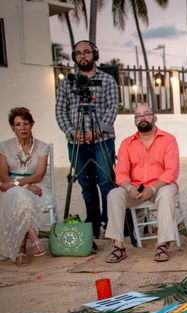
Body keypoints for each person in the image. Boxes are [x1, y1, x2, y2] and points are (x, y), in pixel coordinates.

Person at [55, 40, 118, 239]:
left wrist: (97, 132)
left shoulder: (107, 80)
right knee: (86, 185)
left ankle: (111, 225)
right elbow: (60, 111)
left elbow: (112, 108)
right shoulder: (67, 83)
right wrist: (72, 131)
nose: (83, 56)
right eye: (78, 53)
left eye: (87, 52)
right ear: (75, 57)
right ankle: (92, 225)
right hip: (76, 143)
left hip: (102, 141)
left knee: (106, 183)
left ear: (95, 54)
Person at [104, 104, 180, 263]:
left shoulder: (168, 139)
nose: (142, 118)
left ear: (155, 117)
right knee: (114, 194)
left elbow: (171, 171)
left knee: (166, 194)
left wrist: (152, 188)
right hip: (135, 189)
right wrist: (129, 188)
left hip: (161, 186)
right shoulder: (127, 143)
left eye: (146, 114)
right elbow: (121, 173)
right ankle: (118, 246)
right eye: (138, 116)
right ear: (135, 121)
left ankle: (162, 244)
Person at [0, 108, 49, 266]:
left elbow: (39, 175)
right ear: (13, 128)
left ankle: (21, 250)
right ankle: (34, 239)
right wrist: (22, 187)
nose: (22, 128)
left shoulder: (42, 146)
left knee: (21, 198)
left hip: (36, 187)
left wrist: (20, 185)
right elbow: (3, 176)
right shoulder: (4, 146)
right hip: (13, 191)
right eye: (18, 124)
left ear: (32, 125)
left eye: (25, 124)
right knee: (19, 196)